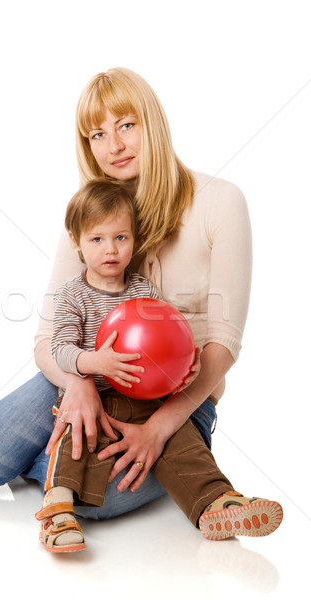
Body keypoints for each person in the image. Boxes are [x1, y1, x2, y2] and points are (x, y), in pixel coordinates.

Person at [0, 67, 283, 544]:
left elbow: (224, 341)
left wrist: (159, 427)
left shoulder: (221, 201)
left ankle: (37, 459)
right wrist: (77, 383)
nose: (114, 145)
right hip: (87, 374)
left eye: (126, 124)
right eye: (97, 133)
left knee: (101, 500)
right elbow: (48, 339)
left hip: (180, 399)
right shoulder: (88, 217)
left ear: (153, 122)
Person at [34, 177, 282, 552]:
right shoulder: (73, 293)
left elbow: (165, 341)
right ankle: (57, 511)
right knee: (76, 438)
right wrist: (94, 363)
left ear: (134, 240)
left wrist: (186, 367)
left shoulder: (142, 291)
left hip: (147, 396)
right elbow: (60, 348)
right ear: (77, 242)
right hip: (97, 396)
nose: (111, 250)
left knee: (181, 439)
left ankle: (217, 502)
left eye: (121, 238)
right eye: (97, 239)